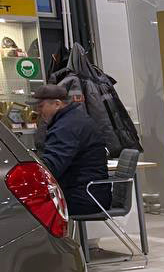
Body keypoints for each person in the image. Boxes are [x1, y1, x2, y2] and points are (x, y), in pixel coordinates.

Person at [32, 83, 109, 215]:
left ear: (57, 104)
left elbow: (52, 167)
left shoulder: (66, 127)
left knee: (23, 208)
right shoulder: (72, 119)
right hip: (90, 192)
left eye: (41, 106)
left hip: (83, 196)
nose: (38, 112)